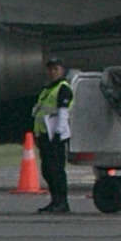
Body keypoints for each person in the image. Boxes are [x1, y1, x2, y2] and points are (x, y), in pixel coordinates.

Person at [33, 67, 76, 212]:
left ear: (62, 70)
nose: (52, 72)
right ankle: (55, 201)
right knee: (47, 170)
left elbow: (63, 113)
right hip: (45, 134)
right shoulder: (48, 89)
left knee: (56, 170)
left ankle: (62, 202)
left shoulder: (63, 89)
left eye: (55, 69)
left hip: (55, 136)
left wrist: (58, 133)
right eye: (50, 69)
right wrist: (37, 134)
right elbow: (40, 112)